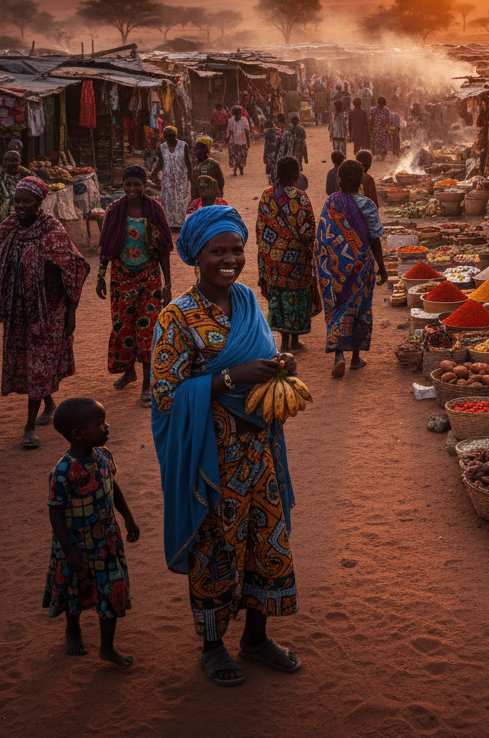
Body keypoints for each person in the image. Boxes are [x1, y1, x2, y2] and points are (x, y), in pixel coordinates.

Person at [151, 205, 302, 687]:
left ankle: (256, 639)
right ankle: (213, 646)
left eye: (237, 250)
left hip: (259, 453)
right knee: (216, 548)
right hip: (211, 460)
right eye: (218, 251)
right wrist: (228, 378)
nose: (229, 259)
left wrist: (280, 364)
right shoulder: (176, 317)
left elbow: (260, 354)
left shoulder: (248, 301)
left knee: (266, 543)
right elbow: (167, 394)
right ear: (197, 254)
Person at [44, 397, 139, 667]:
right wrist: (68, 551)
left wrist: (129, 519)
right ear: (77, 434)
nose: (106, 427)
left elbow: (113, 486)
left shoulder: (105, 455)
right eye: (99, 423)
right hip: (76, 545)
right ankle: (72, 628)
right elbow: (55, 511)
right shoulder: (63, 471)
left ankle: (107, 647)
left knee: (113, 589)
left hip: (107, 541)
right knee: (73, 590)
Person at [0, 176, 90, 449]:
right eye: (17, 201)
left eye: (26, 201)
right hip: (19, 313)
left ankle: (28, 427)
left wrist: (71, 311)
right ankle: (49, 403)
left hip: (48, 312)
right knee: (30, 364)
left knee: (39, 365)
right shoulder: (9, 228)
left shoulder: (51, 230)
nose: (20, 206)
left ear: (40, 203)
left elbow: (75, 266)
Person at [96, 166, 174, 406]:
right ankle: (129, 371)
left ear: (144, 184)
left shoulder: (154, 209)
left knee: (148, 329)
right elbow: (106, 245)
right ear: (123, 185)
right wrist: (100, 275)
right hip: (121, 276)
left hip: (149, 276)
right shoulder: (114, 210)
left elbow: (163, 250)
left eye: (136, 185)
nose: (132, 189)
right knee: (122, 327)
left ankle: (146, 385)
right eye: (128, 184)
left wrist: (168, 283)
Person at [315, 159, 388, 379]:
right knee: (360, 308)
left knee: (338, 306)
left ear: (339, 180)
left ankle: (339, 354)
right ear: (360, 181)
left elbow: (323, 237)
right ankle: (355, 357)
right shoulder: (367, 205)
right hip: (361, 266)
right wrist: (382, 268)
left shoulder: (331, 202)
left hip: (336, 267)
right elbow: (375, 238)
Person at [257, 156, 321, 353]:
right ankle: (294, 341)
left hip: (274, 260)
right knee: (298, 297)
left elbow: (261, 229)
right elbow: (308, 230)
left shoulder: (267, 195)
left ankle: (283, 342)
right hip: (297, 260)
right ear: (295, 174)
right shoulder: (301, 197)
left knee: (279, 297)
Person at [150, 126, 192, 230]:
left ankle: (181, 224)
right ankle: (170, 225)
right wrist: (153, 174)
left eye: (172, 136)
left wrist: (191, 177)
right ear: (164, 137)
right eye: (167, 136)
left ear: (175, 135)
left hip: (181, 178)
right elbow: (160, 162)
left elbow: (188, 162)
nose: (170, 138)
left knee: (181, 201)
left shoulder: (183, 146)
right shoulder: (162, 148)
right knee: (168, 201)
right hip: (167, 179)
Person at [0, 148, 29, 220]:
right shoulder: (1, 173)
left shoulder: (24, 172)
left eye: (14, 161)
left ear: (19, 162)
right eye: (6, 160)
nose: (9, 163)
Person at [225, 105, 250, 176]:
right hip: (233, 142)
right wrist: (227, 140)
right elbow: (228, 131)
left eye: (238, 113)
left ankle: (241, 170)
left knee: (242, 156)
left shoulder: (244, 120)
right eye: (236, 113)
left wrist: (248, 142)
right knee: (234, 156)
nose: (237, 115)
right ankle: (235, 171)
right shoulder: (230, 121)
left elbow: (247, 131)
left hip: (242, 141)